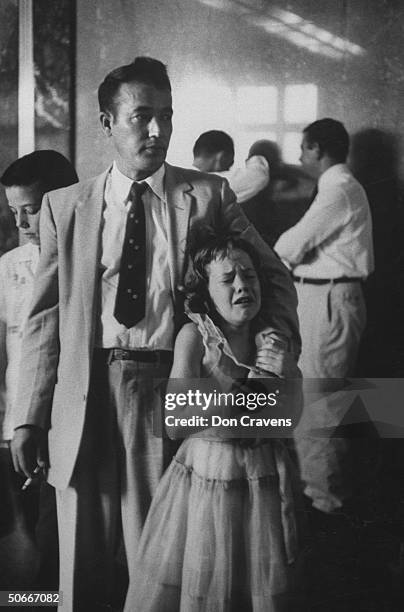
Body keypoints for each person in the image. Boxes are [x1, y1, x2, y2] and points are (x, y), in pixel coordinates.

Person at [10, 57, 300, 611]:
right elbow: (43, 322)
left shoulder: (209, 196)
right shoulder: (63, 207)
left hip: (172, 386)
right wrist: (29, 416)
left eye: (166, 116)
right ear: (107, 121)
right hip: (84, 393)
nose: (158, 130)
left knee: (159, 561)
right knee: (78, 566)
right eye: (142, 116)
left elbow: (273, 280)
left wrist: (270, 358)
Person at [130, 229, 301, 612]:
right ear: (205, 292)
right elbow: (174, 421)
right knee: (207, 579)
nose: (242, 285)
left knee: (256, 583)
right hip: (207, 477)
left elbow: (290, 416)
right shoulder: (195, 337)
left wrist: (279, 372)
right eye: (227, 279)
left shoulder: (271, 339)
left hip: (263, 478)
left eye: (249, 275)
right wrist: (241, 394)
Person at [274, 118, 374, 513]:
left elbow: (291, 245)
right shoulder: (335, 188)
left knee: (317, 405)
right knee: (311, 401)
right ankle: (321, 498)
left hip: (330, 298)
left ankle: (327, 506)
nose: (299, 157)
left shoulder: (340, 189)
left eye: (303, 148)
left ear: (318, 148)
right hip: (320, 297)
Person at [0, 150, 78, 587]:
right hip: (18, 423)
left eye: (31, 211)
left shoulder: (86, 263)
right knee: (25, 532)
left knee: (58, 536)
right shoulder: (10, 267)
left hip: (68, 421)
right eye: (14, 212)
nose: (22, 224)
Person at [193, 130, 270, 203]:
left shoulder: (185, 177)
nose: (229, 168)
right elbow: (258, 176)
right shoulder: (211, 183)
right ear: (221, 157)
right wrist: (256, 156)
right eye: (230, 161)